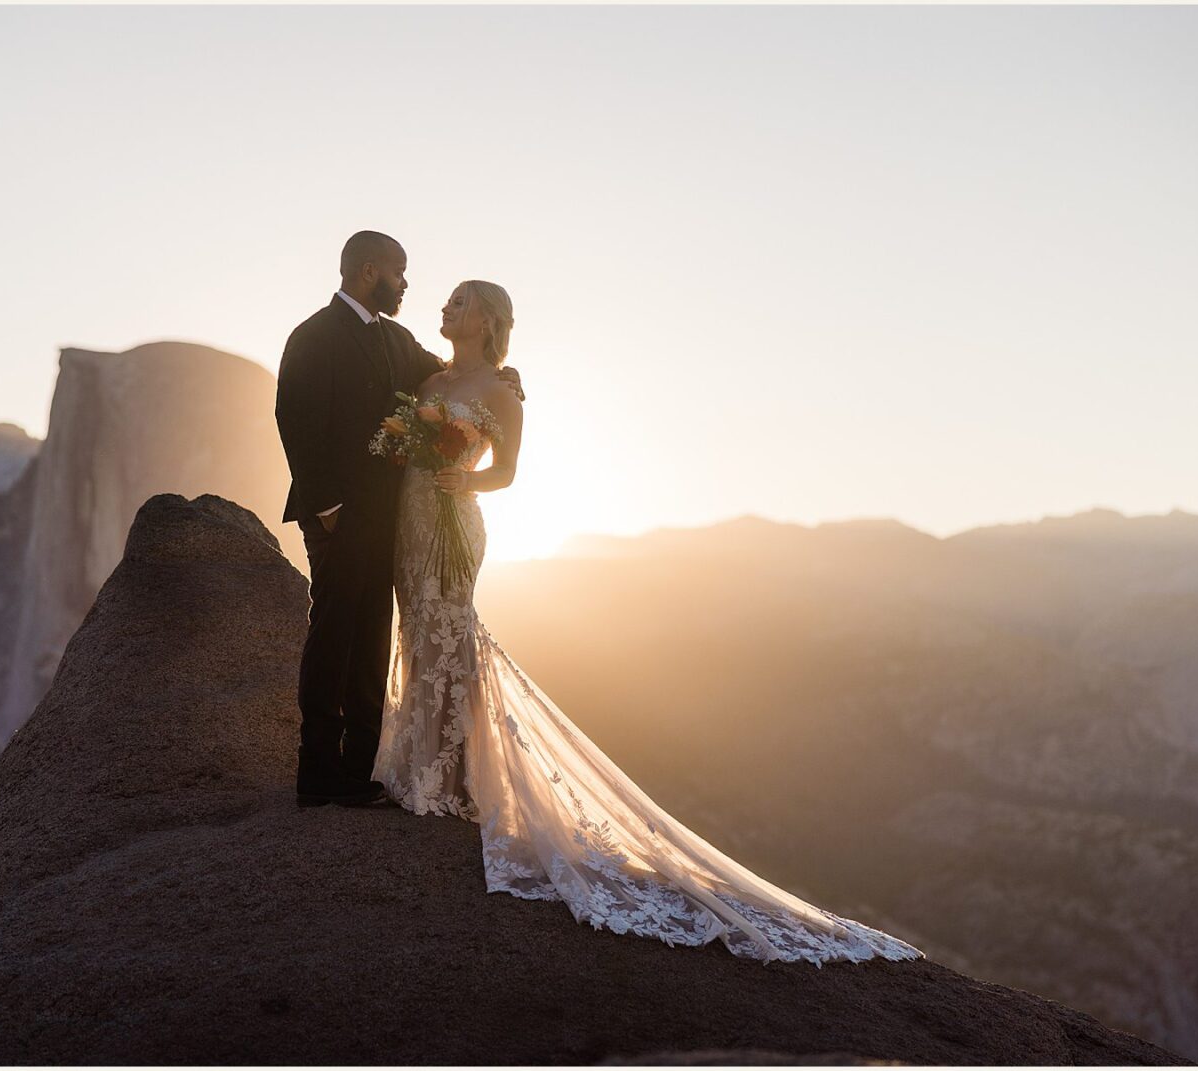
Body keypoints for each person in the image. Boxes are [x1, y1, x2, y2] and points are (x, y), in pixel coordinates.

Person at [372, 279, 926, 965]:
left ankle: (448, 780)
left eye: (462, 301)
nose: (447, 307)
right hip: (412, 518)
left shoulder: (503, 393)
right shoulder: (429, 374)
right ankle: (415, 763)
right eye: (448, 300)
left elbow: (509, 470)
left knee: (452, 634)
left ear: (487, 320)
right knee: (416, 632)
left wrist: (466, 479)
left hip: (455, 520)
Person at [275, 232, 522, 807]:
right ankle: (318, 774)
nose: (407, 284)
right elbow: (295, 420)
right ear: (369, 272)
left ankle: (361, 770)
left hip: (397, 520)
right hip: (338, 517)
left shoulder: (397, 339)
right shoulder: (313, 336)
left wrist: (507, 376)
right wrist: (328, 509)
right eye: (399, 272)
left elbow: (454, 376)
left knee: (372, 636)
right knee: (334, 634)